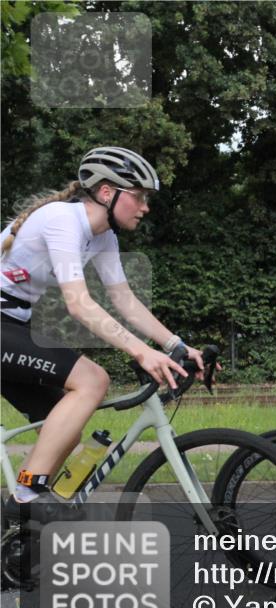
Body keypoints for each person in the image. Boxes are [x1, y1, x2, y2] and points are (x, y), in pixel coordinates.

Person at [1, 147, 209, 514]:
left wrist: (177, 345)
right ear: (108, 192)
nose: (145, 207)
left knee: (65, 430)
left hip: (13, 324)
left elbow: (125, 300)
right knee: (93, 380)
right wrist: (141, 351)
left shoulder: (103, 237)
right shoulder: (62, 220)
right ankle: (25, 501)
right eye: (139, 196)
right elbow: (79, 304)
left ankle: (18, 523)